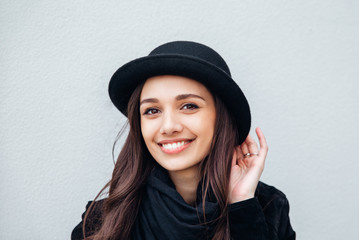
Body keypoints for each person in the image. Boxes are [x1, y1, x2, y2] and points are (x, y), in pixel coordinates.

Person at [71, 41, 296, 240]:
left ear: (222, 119)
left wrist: (241, 204)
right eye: (152, 110)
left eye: (189, 106)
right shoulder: (103, 222)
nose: (168, 126)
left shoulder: (268, 208)